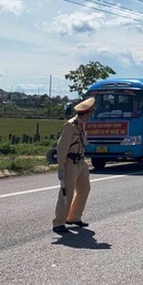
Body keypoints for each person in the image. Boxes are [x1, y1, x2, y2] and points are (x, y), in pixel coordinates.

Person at [52, 97, 95, 234]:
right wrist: (61, 167)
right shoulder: (70, 125)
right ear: (86, 113)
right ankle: (59, 222)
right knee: (67, 192)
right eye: (90, 113)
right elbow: (62, 147)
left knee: (85, 188)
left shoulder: (81, 125)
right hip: (70, 161)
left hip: (81, 161)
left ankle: (74, 217)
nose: (91, 115)